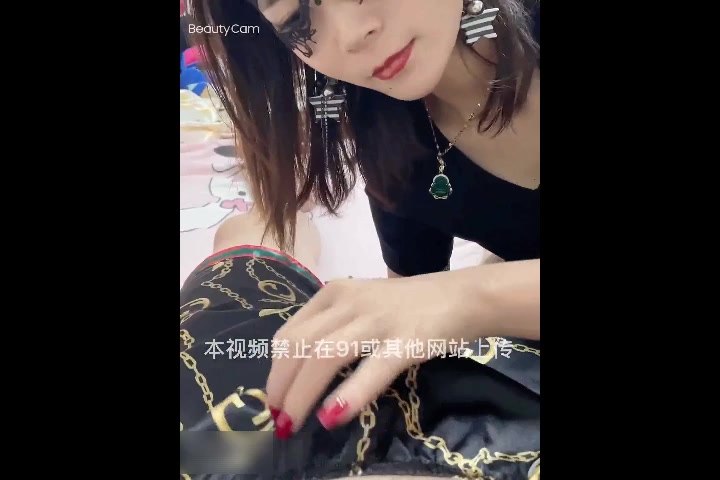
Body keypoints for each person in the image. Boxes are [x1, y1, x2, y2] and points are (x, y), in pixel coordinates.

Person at [185, 0, 540, 476]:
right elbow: (410, 298)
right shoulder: (391, 133)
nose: (352, 33)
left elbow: (438, 298)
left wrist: (475, 298)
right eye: (295, 19)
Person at [180, 209, 540, 479]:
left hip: (250, 438)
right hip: (501, 404)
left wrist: (475, 296)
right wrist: (481, 297)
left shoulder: (207, 445)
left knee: (260, 229)